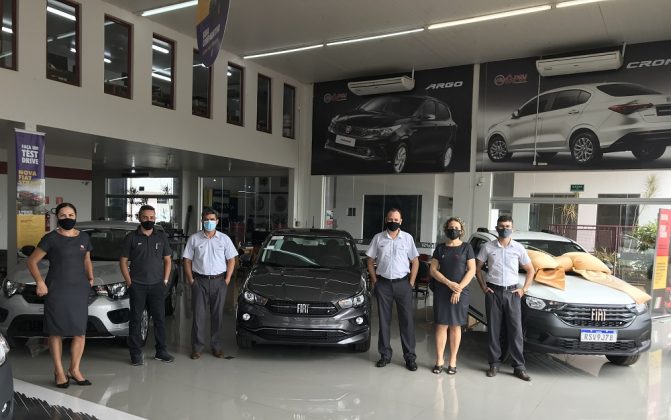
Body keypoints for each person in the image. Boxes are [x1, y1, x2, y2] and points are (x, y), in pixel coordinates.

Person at [29, 202, 93, 388]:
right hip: (57, 290)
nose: (67, 218)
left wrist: (90, 277)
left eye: (71, 215)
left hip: (79, 290)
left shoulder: (84, 237)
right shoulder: (50, 238)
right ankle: (59, 371)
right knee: (56, 332)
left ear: (76, 216)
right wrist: (40, 282)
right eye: (63, 215)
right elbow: (32, 262)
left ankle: (74, 369)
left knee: (80, 332)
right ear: (57, 217)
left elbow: (87, 259)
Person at [475, 215, 535, 381]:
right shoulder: (487, 247)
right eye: (501, 226)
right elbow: (477, 268)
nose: (504, 229)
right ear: (497, 228)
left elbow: (531, 270)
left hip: (512, 294)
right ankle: (494, 364)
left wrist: (524, 289)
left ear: (512, 228)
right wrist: (483, 287)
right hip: (493, 293)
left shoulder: (518, 248)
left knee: (516, 331)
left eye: (507, 226)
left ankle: (519, 367)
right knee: (493, 330)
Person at [120, 205, 174, 366]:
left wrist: (165, 280)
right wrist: (129, 282)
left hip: (157, 285)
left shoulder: (161, 237)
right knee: (135, 320)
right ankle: (135, 353)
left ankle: (161, 351)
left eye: (152, 217)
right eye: (145, 217)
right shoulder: (131, 237)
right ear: (139, 218)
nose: (149, 220)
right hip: (137, 286)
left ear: (155, 218)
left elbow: (168, 260)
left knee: (159, 319)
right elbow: (123, 261)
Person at [366, 208, 420, 371]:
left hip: (403, 284)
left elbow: (415, 261)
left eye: (396, 219)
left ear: (401, 221)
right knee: (384, 321)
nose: (393, 222)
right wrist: (375, 280)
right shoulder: (378, 238)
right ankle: (385, 355)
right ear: (386, 220)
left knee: (407, 321)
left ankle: (410, 357)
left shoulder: (407, 238)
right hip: (383, 284)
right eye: (390, 219)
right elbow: (370, 260)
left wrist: (411, 282)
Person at [182, 208, 237, 359]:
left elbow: (231, 259)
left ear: (217, 221)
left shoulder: (224, 239)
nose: (209, 222)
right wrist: (191, 280)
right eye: (206, 219)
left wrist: (227, 279)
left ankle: (216, 346)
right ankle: (197, 348)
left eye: (212, 219)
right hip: (199, 281)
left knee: (217, 316)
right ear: (202, 221)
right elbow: (187, 260)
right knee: (198, 316)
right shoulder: (194, 239)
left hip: (219, 282)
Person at [429, 217, 475, 375]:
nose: (453, 230)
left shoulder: (467, 248)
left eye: (456, 228)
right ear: (446, 229)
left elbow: (472, 270)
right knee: (441, 325)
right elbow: (433, 270)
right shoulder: (440, 248)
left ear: (461, 231)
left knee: (455, 326)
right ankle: (439, 360)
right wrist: (449, 284)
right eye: (450, 227)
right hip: (442, 290)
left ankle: (453, 360)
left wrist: (458, 288)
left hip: (460, 292)